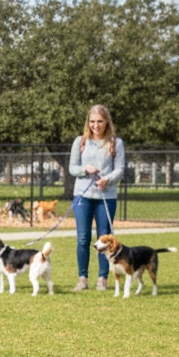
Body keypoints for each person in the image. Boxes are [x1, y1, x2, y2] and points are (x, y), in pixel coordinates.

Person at [68, 104, 125, 292]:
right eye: (92, 122)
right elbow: (72, 168)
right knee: (83, 237)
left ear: (106, 121)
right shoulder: (80, 141)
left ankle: (102, 278)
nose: (96, 125)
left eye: (99, 121)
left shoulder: (116, 143)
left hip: (106, 196)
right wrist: (86, 170)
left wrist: (107, 179)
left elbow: (120, 170)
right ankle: (82, 278)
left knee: (104, 239)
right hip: (83, 196)